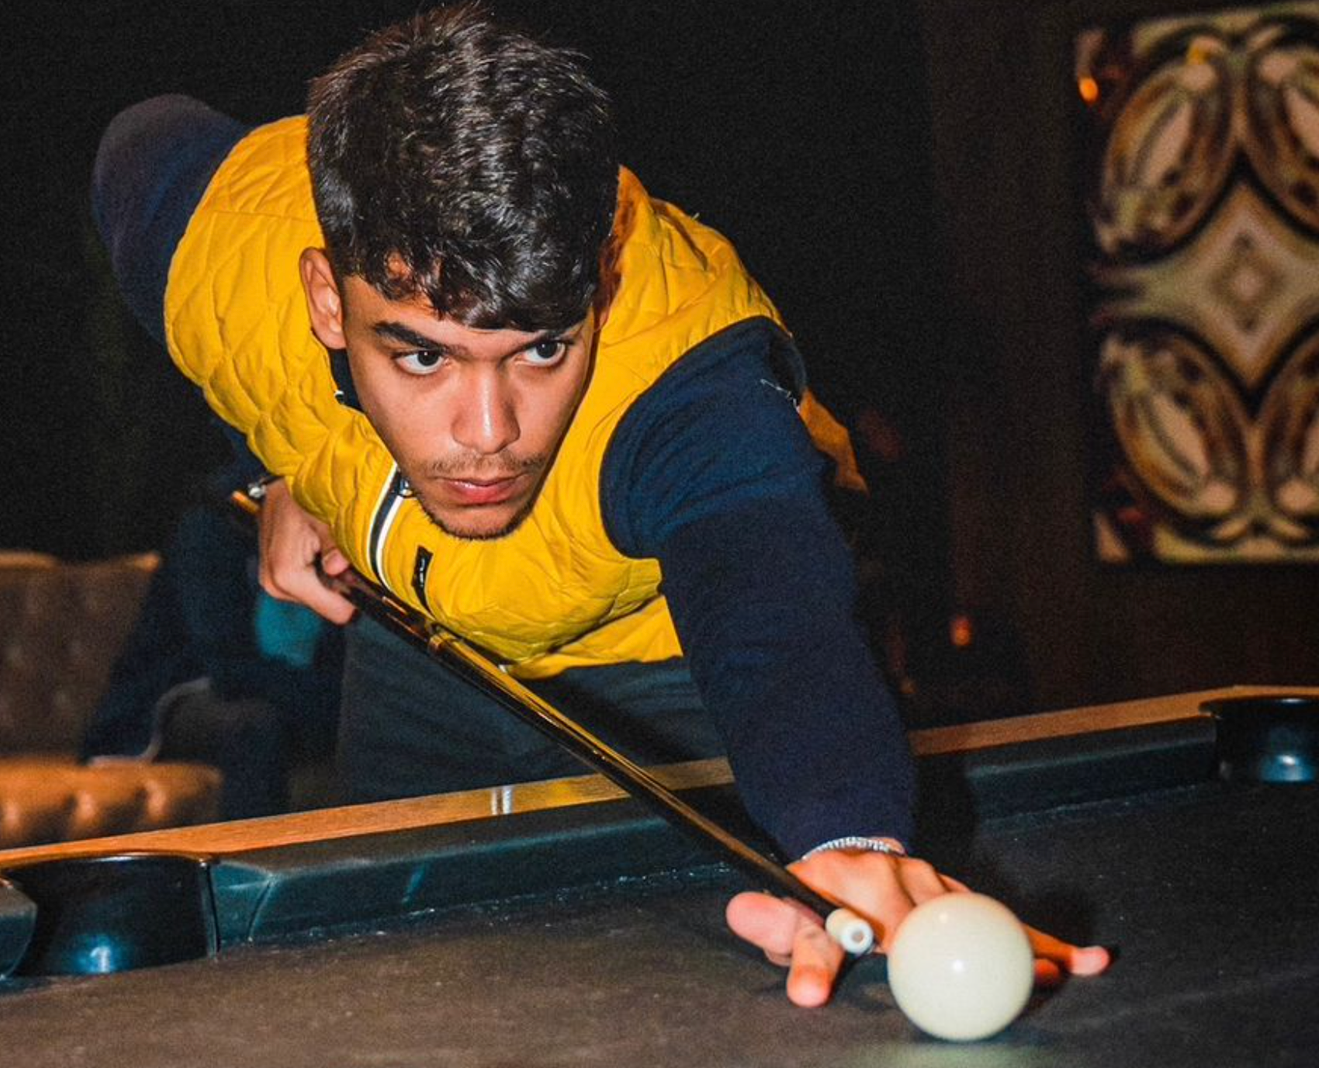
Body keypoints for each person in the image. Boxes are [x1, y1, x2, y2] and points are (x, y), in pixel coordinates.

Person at [91, 3, 1108, 1006]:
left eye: (543, 347)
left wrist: (845, 834)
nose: (489, 431)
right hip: (420, 652)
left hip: (663, 667)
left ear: (600, 280)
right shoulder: (223, 252)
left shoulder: (689, 385)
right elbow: (139, 140)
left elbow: (767, 602)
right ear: (325, 300)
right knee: (395, 993)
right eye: (424, 357)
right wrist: (279, 468)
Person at [80, 459, 342, 818]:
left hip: (294, 690)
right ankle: (252, 852)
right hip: (183, 692)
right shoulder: (214, 523)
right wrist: (329, 700)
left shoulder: (341, 524)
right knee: (255, 724)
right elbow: (226, 664)